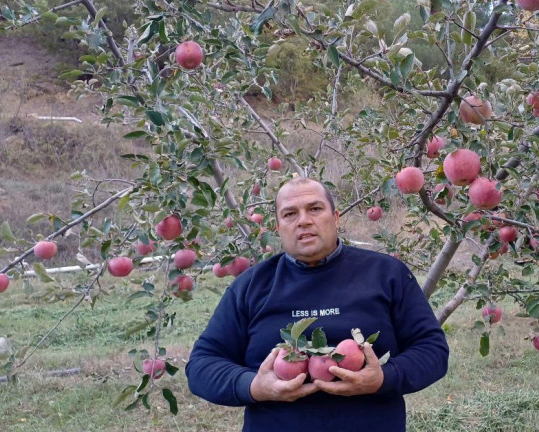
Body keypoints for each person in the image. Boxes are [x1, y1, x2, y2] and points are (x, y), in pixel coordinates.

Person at [186, 177, 450, 432]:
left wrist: (384, 378)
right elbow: (202, 365)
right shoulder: (251, 286)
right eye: (290, 214)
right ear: (278, 228)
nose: (304, 221)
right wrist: (254, 386)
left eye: (315, 208)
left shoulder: (387, 274)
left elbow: (432, 350)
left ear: (335, 218)